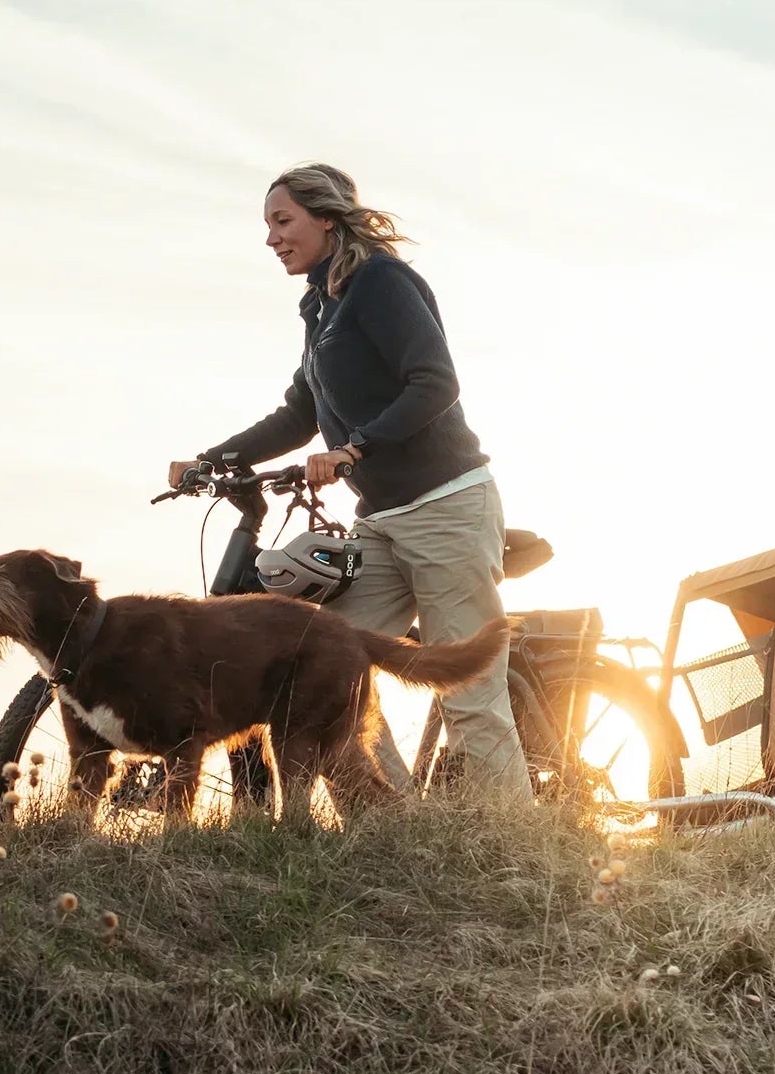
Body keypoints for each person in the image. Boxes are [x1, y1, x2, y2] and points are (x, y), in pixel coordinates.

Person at [169, 163, 530, 803]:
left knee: (471, 692)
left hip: (447, 506)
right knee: (324, 666)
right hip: (382, 520)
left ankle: (517, 843)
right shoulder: (321, 304)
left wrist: (354, 448)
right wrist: (213, 459)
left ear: (327, 219)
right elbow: (298, 414)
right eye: (268, 226)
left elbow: (435, 383)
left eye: (283, 221)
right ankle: (396, 822)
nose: (273, 237)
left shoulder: (381, 282)